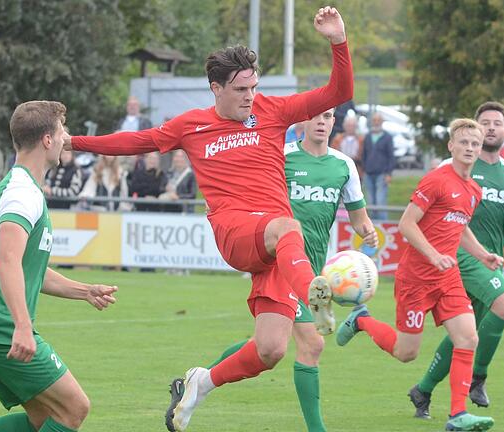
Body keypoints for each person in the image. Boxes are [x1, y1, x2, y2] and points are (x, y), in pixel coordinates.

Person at [66, 7, 352, 432]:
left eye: (253, 87)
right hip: (237, 230)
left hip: (278, 249)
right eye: (240, 89)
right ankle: (314, 292)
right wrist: (73, 141)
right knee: (286, 226)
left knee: (271, 350)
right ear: (215, 88)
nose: (250, 96)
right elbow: (134, 141)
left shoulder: (273, 111)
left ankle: (202, 381)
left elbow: (338, 92)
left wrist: (338, 41)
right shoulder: (191, 125)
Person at [205, 107, 377, 432]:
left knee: (266, 346)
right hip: (281, 264)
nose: (322, 122)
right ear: (303, 120)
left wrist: (366, 232)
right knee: (312, 344)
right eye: (316, 116)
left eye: (328, 117)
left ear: (334, 123)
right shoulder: (282, 155)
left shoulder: (343, 166)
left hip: (313, 269)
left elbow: (359, 218)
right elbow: (243, 184)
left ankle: (198, 381)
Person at [0, 100, 118, 432]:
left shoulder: (22, 187)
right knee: (74, 407)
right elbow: (7, 262)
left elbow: (30, 270)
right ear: (47, 139)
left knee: (43, 418)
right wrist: (22, 326)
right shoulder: (22, 193)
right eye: (62, 131)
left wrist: (84, 290)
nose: (66, 138)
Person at [336, 119, 501, 431]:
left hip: (447, 277)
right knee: (406, 352)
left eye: (474, 144)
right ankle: (361, 320)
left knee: (468, 338)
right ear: (451, 146)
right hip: (416, 277)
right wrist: (433, 254)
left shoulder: (474, 190)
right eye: (463, 142)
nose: (469, 148)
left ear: (481, 149)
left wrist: (482, 254)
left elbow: (460, 226)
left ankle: (457, 415)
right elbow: (407, 224)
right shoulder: (436, 180)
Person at [408, 102, 504, 419]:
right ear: (472, 129)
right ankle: (479, 377)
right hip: (458, 257)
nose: (490, 127)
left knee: (464, 336)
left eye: (496, 123)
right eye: (484, 122)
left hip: (488, 261)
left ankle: (423, 389)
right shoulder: (456, 164)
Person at [361, 112, 395, 220]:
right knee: (370, 202)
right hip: (369, 173)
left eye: (378, 120)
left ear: (381, 122)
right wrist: (364, 169)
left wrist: (389, 173)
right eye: (374, 120)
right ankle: (372, 226)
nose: (376, 123)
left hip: (382, 174)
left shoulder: (387, 137)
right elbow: (364, 154)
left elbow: (391, 156)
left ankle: (383, 226)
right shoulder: (367, 137)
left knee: (380, 201)